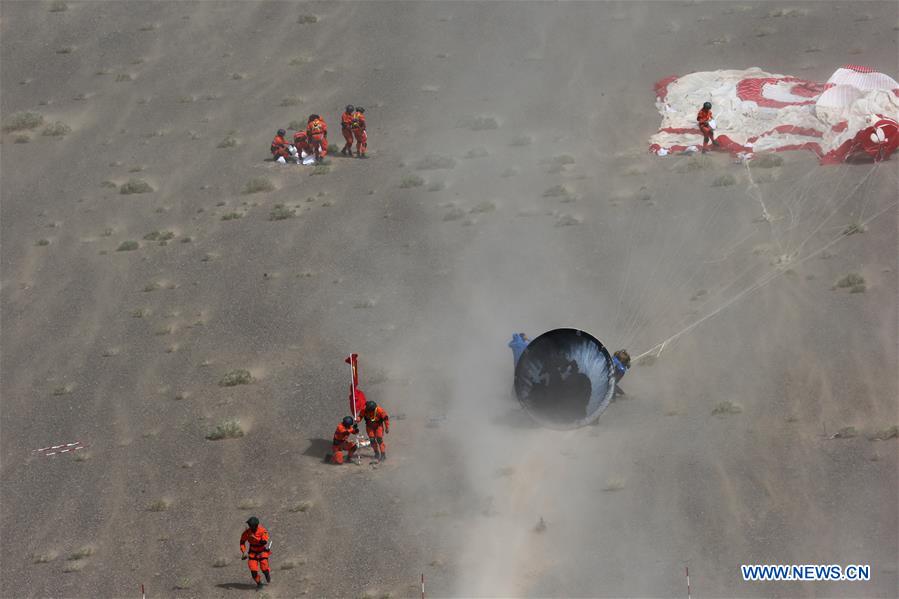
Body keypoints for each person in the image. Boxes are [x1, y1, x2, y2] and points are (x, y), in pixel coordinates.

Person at [240, 516, 272, 590]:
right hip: (252, 553)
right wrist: (243, 551)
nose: (249, 526)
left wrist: (254, 537)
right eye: (249, 525)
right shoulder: (247, 533)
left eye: (251, 525)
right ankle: (259, 584)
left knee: (264, 569)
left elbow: (264, 542)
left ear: (256, 525)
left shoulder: (263, 531)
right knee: (253, 571)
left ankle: (267, 575)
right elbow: (242, 542)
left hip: (262, 552)